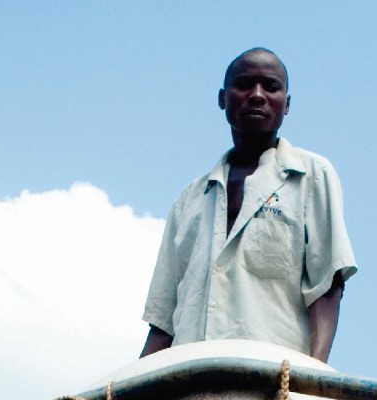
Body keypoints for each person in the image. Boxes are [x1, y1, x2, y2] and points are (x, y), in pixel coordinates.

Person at [140, 48, 357, 362]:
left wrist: (314, 374)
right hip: (185, 380)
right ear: (222, 98)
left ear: (287, 105)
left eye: (271, 87)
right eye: (244, 84)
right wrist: (123, 399)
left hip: (270, 376)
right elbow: (163, 321)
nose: (257, 95)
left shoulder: (311, 175)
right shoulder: (190, 200)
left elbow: (326, 287)